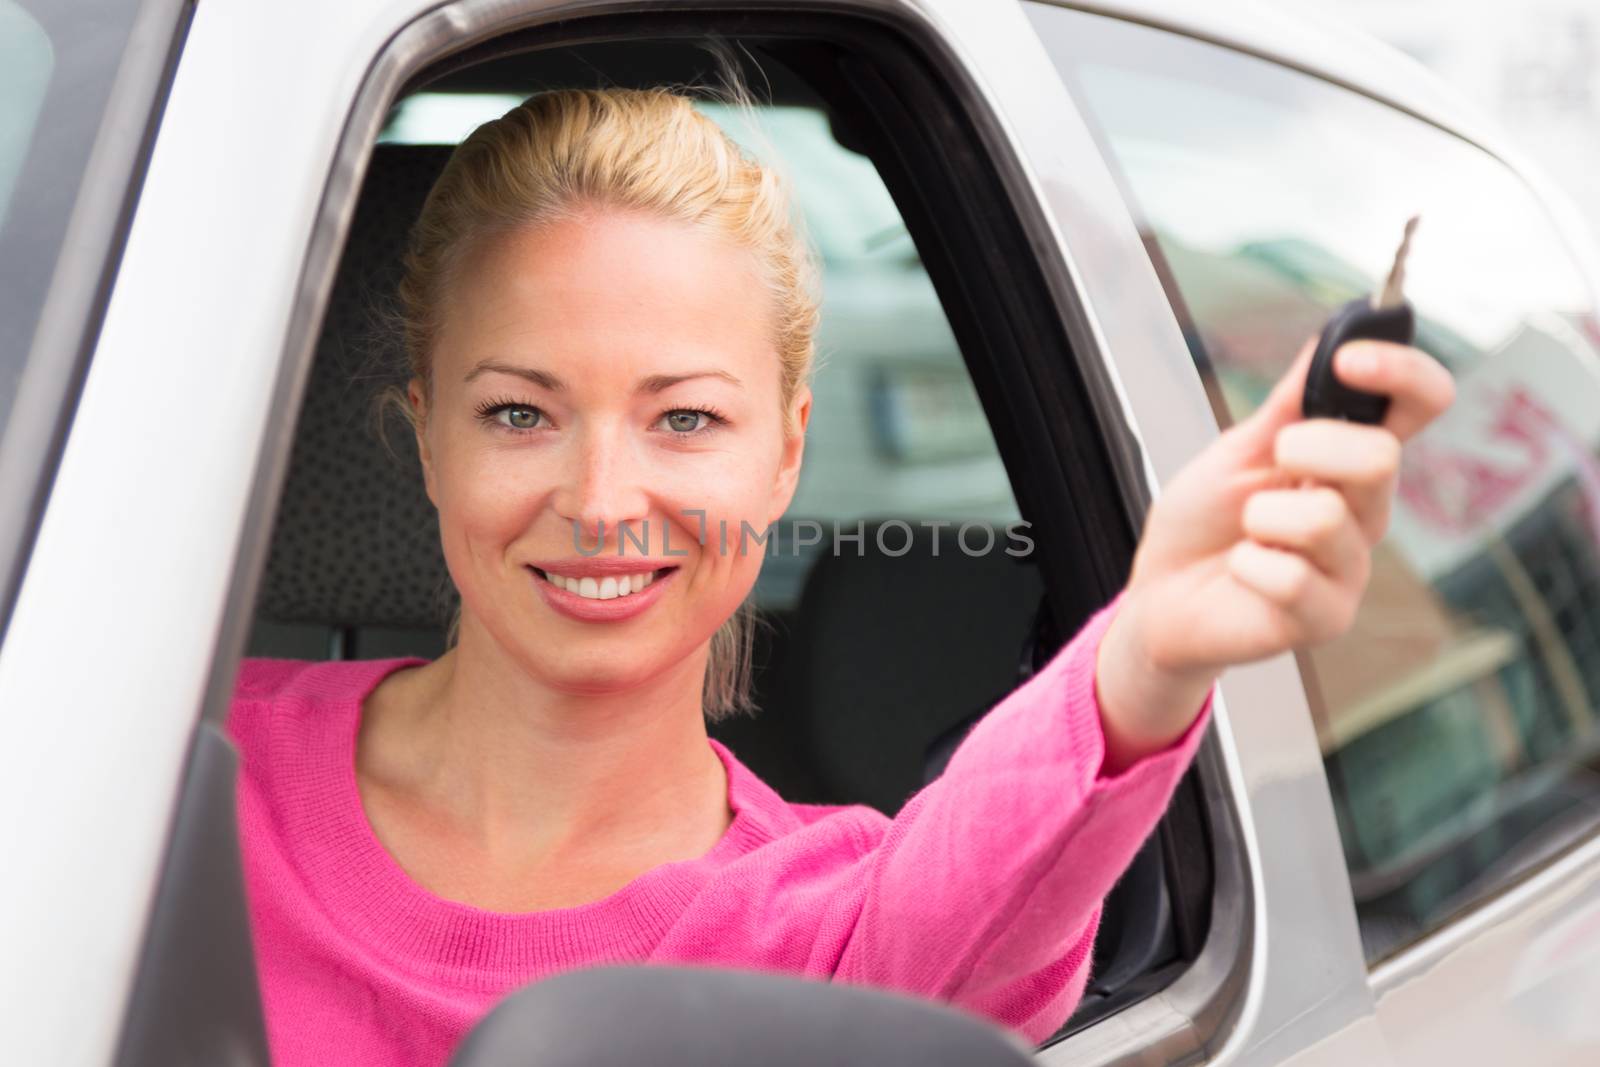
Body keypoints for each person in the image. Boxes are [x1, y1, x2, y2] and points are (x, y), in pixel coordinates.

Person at [226, 85, 1455, 1067]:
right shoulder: (174, 762)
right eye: (516, 413)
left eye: (688, 421)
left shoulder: (827, 930)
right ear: (424, 433)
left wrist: (1150, 648)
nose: (601, 501)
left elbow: (972, 893)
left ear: (788, 453)